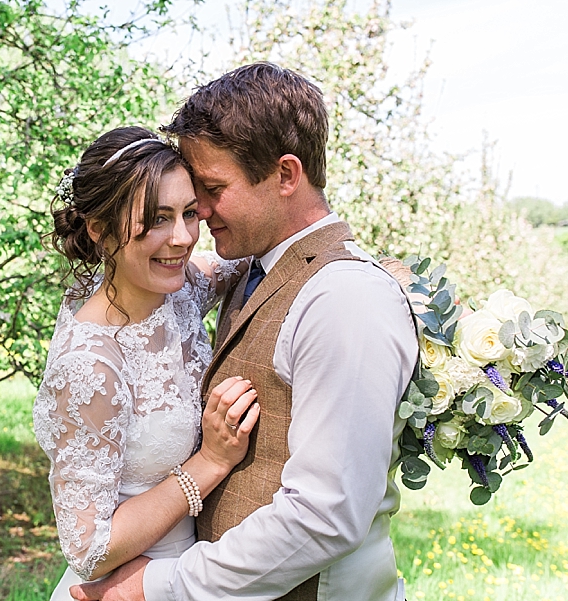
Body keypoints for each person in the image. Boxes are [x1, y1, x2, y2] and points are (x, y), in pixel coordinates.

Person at [71, 63, 419, 601]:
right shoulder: (256, 269)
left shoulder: (344, 296)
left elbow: (326, 514)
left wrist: (161, 585)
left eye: (210, 190)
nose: (197, 218)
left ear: (285, 175)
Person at [33, 126, 262, 601]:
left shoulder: (175, 294)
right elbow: (88, 547)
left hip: (194, 577)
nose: (182, 238)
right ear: (100, 229)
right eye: (158, 219)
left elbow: (250, 258)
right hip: (124, 586)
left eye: (189, 213)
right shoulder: (90, 368)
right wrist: (210, 463)